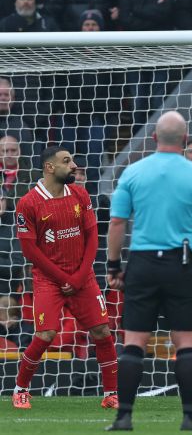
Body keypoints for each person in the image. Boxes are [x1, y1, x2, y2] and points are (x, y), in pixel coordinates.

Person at [104, 111, 192, 431]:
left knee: (134, 344)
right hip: (181, 263)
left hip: (142, 263)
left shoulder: (132, 172)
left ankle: (124, 417)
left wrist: (114, 266)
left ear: (154, 138)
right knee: (185, 342)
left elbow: (117, 223)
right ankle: (190, 418)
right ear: (185, 141)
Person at [11, 146, 118, 410]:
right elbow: (29, 250)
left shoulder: (80, 194)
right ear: (49, 168)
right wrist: (62, 278)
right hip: (49, 280)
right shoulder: (28, 203)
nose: (74, 166)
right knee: (46, 333)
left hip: (83, 276)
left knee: (102, 331)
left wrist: (80, 276)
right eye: (67, 161)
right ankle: (21, 389)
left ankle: (111, 394)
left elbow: (93, 236)